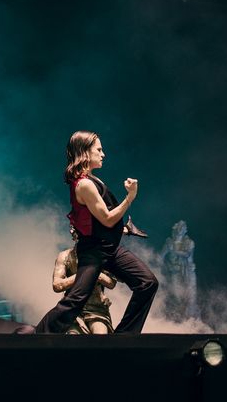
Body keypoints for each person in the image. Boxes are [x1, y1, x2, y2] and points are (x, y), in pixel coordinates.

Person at [35, 130, 158, 334]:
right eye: (99, 150)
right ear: (85, 152)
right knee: (75, 300)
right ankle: (37, 336)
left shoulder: (92, 179)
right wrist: (130, 197)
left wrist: (124, 228)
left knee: (148, 283)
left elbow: (102, 218)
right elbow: (107, 219)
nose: (103, 154)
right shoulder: (84, 185)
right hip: (93, 251)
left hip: (110, 249)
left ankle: (123, 338)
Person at [53, 244, 117, 334]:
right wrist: (84, 274)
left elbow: (111, 283)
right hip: (73, 307)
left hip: (97, 308)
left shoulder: (101, 254)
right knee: (72, 339)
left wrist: (95, 274)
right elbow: (57, 285)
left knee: (101, 338)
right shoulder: (65, 256)